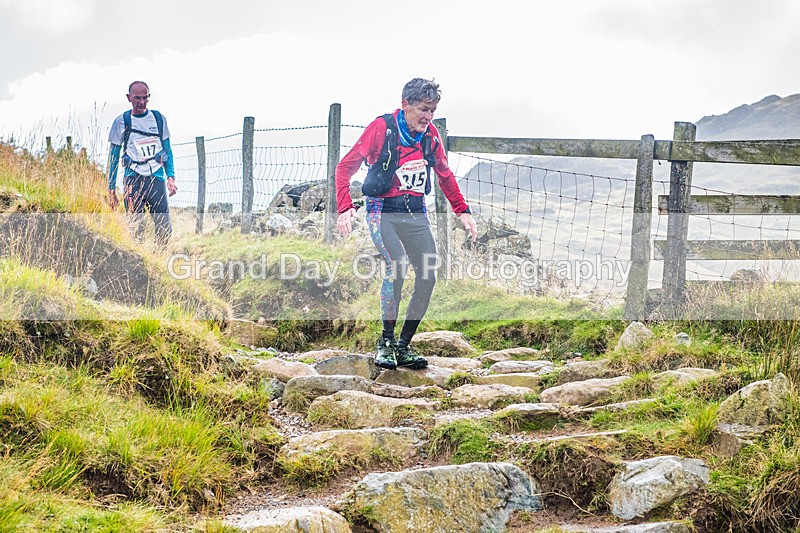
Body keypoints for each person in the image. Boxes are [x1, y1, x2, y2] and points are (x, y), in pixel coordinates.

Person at [336, 78, 478, 370]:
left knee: (428, 275)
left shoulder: (430, 135)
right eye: (424, 109)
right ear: (406, 105)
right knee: (397, 266)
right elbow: (345, 167)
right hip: (382, 210)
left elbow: (444, 173)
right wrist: (344, 207)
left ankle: (403, 346)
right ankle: (385, 343)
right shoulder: (382, 128)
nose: (428, 117)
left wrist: (462, 210)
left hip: (415, 212)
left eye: (433, 110)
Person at [107, 81, 177, 247]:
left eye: (145, 98)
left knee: (165, 227)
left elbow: (167, 151)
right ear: (129, 98)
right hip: (133, 179)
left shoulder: (159, 119)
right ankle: (139, 262)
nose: (141, 102)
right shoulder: (121, 122)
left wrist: (171, 177)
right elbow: (113, 157)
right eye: (137, 98)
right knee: (136, 227)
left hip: (156, 178)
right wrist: (111, 188)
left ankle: (158, 258)